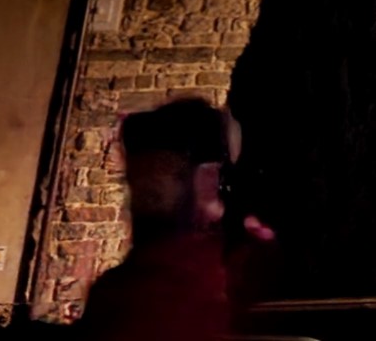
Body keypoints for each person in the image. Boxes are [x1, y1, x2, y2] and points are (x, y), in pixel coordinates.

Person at [78, 96, 269, 341]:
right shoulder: (118, 289)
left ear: (210, 179)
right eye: (139, 176)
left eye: (167, 171)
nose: (147, 189)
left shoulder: (244, 272)